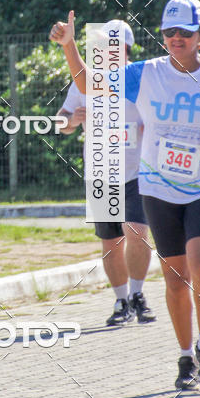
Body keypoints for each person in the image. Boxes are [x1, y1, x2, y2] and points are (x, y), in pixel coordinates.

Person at [50, 0, 200, 390]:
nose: (177, 38)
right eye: (169, 32)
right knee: (176, 278)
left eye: (186, 32)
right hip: (158, 186)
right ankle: (184, 357)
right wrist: (70, 46)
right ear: (162, 35)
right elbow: (86, 84)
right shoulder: (145, 73)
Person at [57, 21, 155, 326]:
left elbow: (159, 117)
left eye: (113, 47)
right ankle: (121, 300)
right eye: (100, 47)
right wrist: (72, 119)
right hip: (100, 173)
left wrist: (149, 127)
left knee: (137, 232)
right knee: (111, 242)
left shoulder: (140, 79)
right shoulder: (84, 80)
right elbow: (60, 123)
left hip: (136, 172)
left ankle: (138, 294)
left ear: (126, 48)